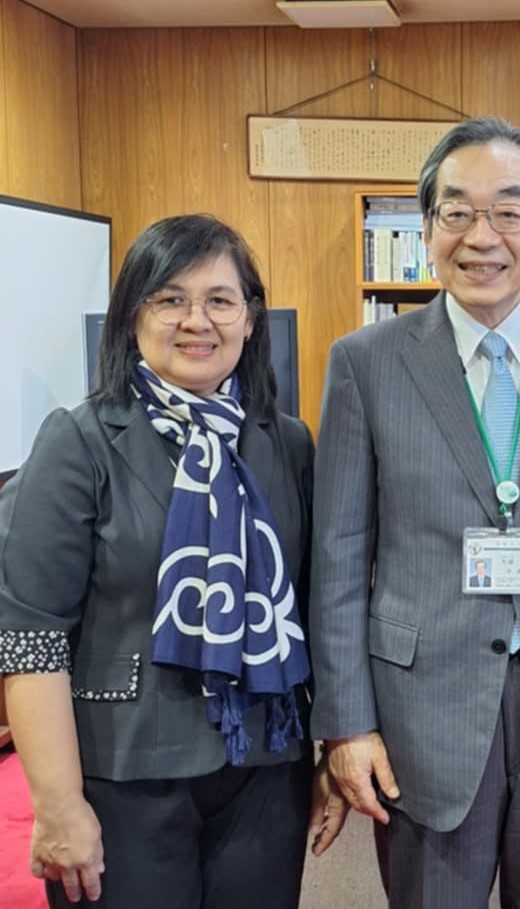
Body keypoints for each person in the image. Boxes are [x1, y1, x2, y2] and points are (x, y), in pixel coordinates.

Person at [309, 116, 520, 908]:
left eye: (507, 211)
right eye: (455, 211)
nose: (480, 236)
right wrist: (346, 725)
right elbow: (337, 553)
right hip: (419, 708)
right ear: (426, 227)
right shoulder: (367, 362)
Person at [0, 214, 347, 909]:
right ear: (133, 315)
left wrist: (329, 755)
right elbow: (30, 637)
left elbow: (318, 609)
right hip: (122, 775)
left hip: (264, 768)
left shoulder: (286, 443)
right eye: (170, 298)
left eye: (220, 299)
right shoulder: (80, 441)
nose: (198, 320)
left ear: (250, 318)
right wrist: (59, 804)